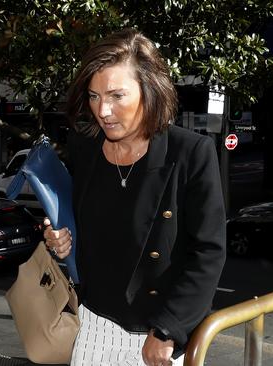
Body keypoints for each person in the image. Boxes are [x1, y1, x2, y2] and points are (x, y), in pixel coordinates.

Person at [43, 29, 226, 366]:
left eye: (116, 95)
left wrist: (168, 329)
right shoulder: (86, 147)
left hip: (156, 338)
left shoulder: (190, 153)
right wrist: (59, 240)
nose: (104, 110)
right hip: (92, 324)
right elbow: (77, 223)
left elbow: (208, 253)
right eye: (94, 96)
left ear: (149, 91)